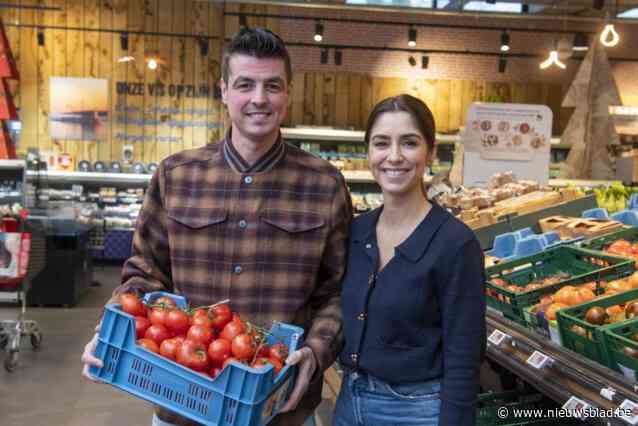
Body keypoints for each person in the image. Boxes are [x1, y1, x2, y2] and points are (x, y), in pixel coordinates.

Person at [81, 27, 352, 426]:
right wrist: (113, 324)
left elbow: (339, 291)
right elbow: (144, 273)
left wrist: (315, 350)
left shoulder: (324, 184)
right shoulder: (176, 175)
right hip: (182, 403)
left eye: (272, 86)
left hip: (279, 411)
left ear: (288, 93)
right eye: (245, 85)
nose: (259, 99)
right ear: (224, 91)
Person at [333, 95, 486, 426]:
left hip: (416, 410)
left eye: (409, 143)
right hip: (348, 402)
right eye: (381, 143)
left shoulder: (455, 243)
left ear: (431, 152)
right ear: (369, 152)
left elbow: (464, 354)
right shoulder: (356, 232)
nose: (394, 156)